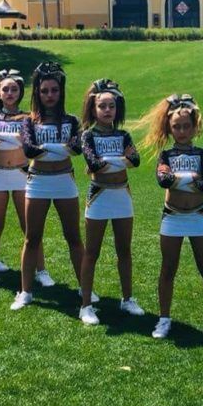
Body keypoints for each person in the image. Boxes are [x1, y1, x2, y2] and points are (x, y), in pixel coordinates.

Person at [142, 94, 203, 339]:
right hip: (172, 217)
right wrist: (192, 179)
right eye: (176, 127)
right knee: (168, 268)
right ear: (170, 128)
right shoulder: (165, 155)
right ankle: (164, 319)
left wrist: (178, 179)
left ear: (194, 127)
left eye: (186, 126)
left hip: (198, 216)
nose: (181, 131)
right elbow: (163, 180)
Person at [7, 62, 83, 305]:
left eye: (54, 90)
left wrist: (47, 148)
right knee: (32, 238)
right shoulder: (29, 122)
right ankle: (25, 291)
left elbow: (77, 149)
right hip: (38, 182)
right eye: (44, 91)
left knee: (73, 237)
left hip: (64, 181)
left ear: (61, 92)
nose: (49, 95)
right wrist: (61, 149)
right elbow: (29, 150)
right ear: (37, 93)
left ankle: (86, 288)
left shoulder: (72, 120)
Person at [78, 78, 144, 325]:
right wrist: (119, 160)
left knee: (124, 250)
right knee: (91, 252)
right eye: (102, 106)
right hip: (99, 196)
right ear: (93, 109)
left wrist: (107, 161)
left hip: (122, 195)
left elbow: (135, 160)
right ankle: (86, 305)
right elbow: (93, 164)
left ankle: (127, 299)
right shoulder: (88, 135)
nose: (107, 110)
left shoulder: (124, 134)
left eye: (111, 106)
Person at [0, 68, 44, 292]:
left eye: (14, 89)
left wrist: (1, 137)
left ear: (20, 92)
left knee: (30, 228)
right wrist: (15, 138)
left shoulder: (28, 116)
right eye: (5, 89)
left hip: (22, 173)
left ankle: (41, 271)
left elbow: (30, 143)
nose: (9, 93)